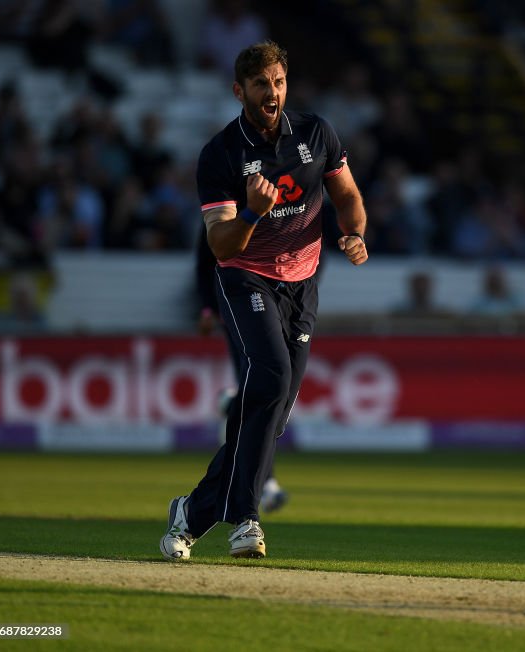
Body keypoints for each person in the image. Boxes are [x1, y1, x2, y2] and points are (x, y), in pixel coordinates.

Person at [160, 41, 368, 561]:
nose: (271, 93)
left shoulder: (317, 132)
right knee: (271, 379)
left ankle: (190, 514)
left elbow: (347, 196)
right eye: (260, 85)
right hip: (245, 281)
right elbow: (220, 245)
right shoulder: (222, 154)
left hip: (303, 284)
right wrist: (252, 213)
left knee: (271, 417)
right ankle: (245, 521)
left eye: (277, 82)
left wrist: (355, 233)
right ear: (240, 92)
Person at [195, 225, 289, 514]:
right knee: (263, 393)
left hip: (280, 305)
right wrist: (209, 308)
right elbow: (204, 260)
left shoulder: (292, 207)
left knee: (266, 396)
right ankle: (265, 481)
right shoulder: (225, 207)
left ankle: (232, 402)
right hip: (238, 304)